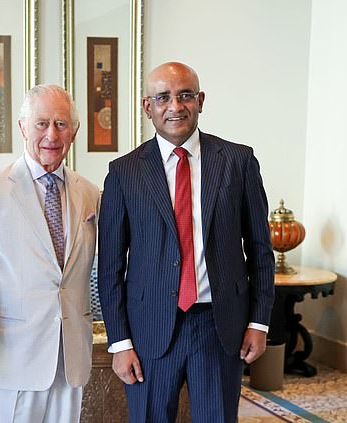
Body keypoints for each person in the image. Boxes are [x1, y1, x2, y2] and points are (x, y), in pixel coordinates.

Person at [97, 62, 275, 422]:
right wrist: (121, 343)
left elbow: (260, 249)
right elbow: (111, 267)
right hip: (150, 332)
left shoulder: (238, 161)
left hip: (219, 326)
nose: (175, 106)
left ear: (201, 100)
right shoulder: (123, 172)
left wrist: (259, 322)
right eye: (163, 97)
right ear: (147, 107)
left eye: (185, 95)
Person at [0, 84, 100, 423]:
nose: (51, 134)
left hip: (68, 355)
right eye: (41, 124)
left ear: (74, 131)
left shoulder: (92, 194)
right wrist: (2, 318)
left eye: (61, 123)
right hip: (10, 352)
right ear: (23, 128)